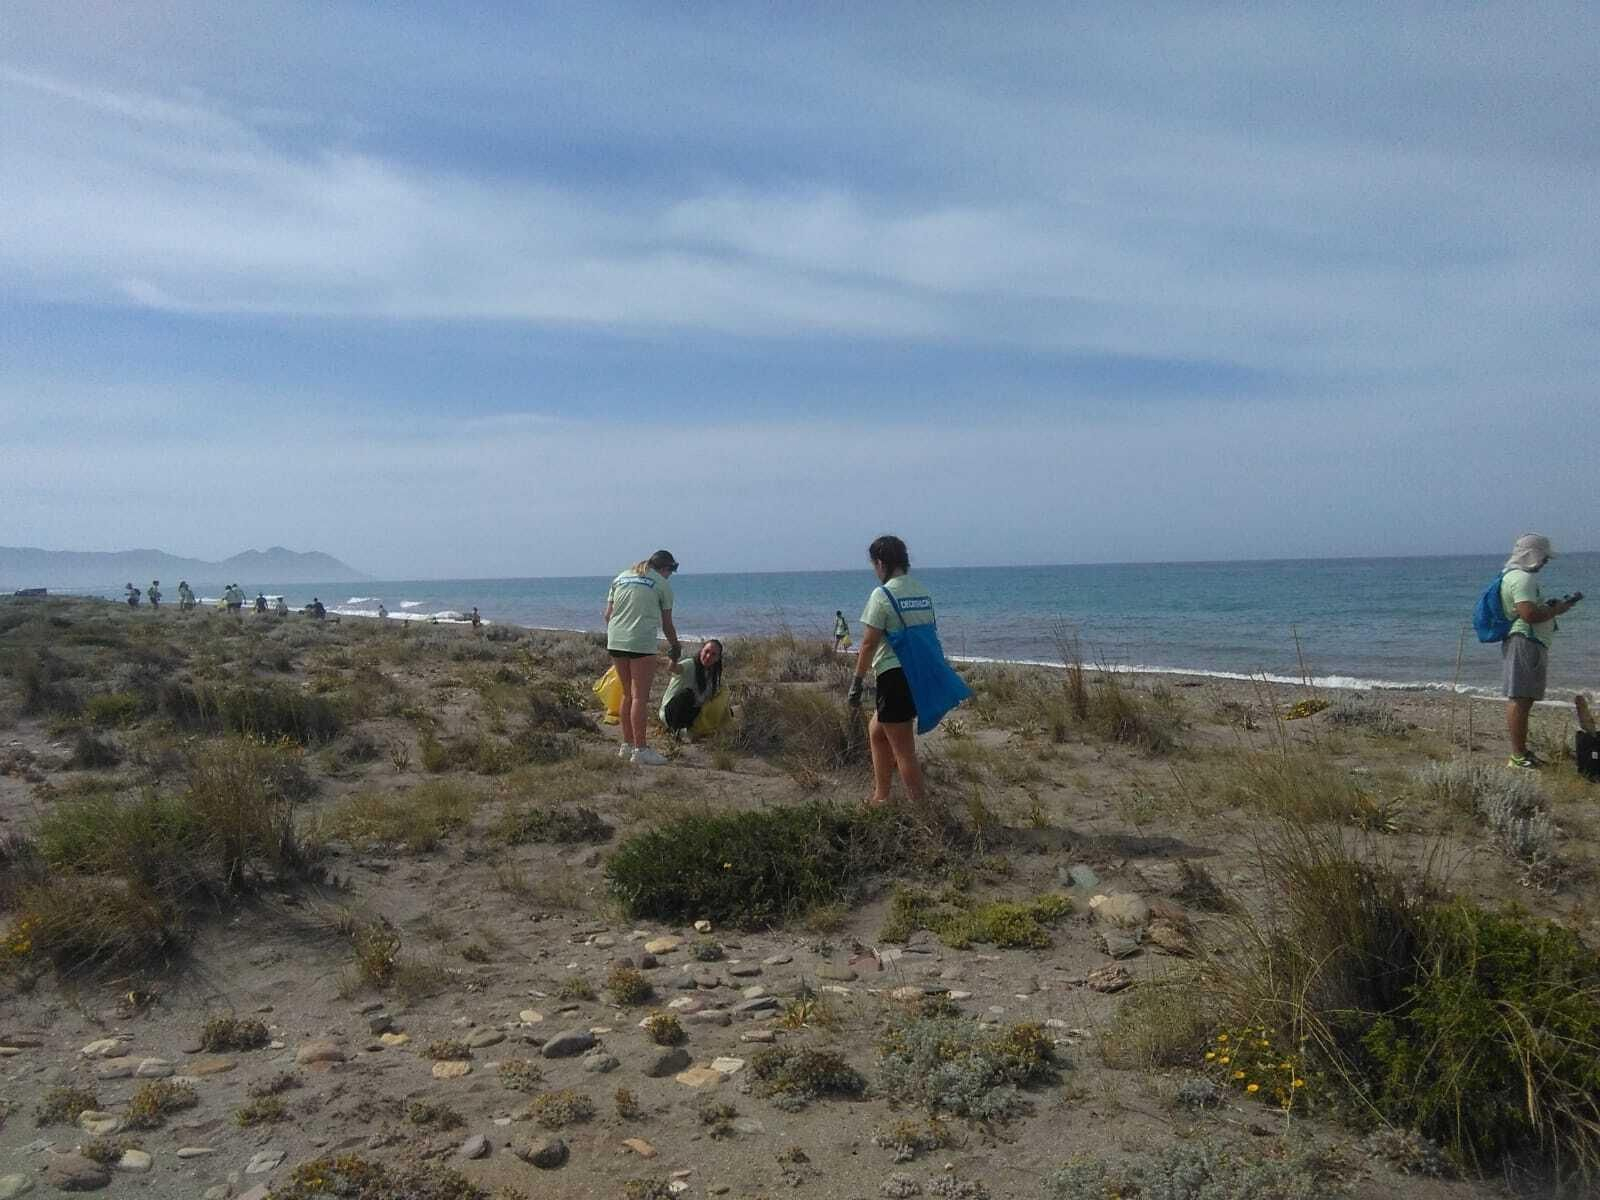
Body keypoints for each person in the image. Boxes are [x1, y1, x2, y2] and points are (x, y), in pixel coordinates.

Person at [848, 534, 933, 806]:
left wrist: (856, 682)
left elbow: (868, 643)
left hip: (894, 677)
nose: (875, 571)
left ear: (881, 563)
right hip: (918, 674)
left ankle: (923, 815)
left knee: (904, 751)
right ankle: (881, 796)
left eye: (874, 564)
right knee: (876, 730)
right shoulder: (921, 591)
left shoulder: (882, 594)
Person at [1500, 533, 1583, 769]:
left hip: (1525, 641)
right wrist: (1555, 611)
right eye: (1544, 557)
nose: (1546, 562)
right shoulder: (1523, 579)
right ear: (1533, 556)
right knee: (1520, 698)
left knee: (1522, 698)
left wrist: (1551, 608)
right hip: (1526, 641)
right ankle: (1518, 756)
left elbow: (1526, 611)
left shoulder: (1511, 576)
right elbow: (1529, 614)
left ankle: (1521, 752)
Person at [605, 550, 680, 766]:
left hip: (616, 640)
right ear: (665, 568)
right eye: (670, 571)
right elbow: (667, 624)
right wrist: (675, 645)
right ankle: (641, 749)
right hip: (640, 642)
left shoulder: (621, 577)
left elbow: (607, 615)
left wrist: (619, 634)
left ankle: (626, 745)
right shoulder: (662, 585)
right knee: (640, 697)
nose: (669, 576)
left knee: (627, 694)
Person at [661, 639, 724, 736]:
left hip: (690, 712)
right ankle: (676, 730)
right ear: (701, 651)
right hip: (671, 713)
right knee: (688, 695)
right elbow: (674, 668)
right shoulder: (690, 664)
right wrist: (673, 658)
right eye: (706, 652)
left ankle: (687, 729)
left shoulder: (713, 675)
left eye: (713, 654)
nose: (708, 656)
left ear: (718, 658)